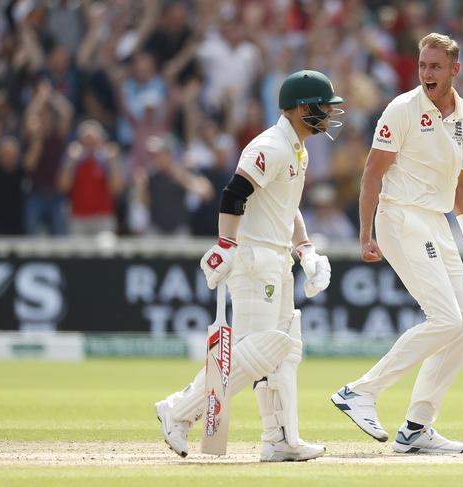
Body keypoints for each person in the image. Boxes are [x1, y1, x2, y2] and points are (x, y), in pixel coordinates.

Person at [155, 70, 343, 461]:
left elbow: (286, 208)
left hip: (277, 260)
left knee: (285, 351)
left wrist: (304, 249)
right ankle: (178, 410)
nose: (328, 114)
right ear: (300, 108)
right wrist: (226, 244)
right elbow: (235, 192)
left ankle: (279, 439)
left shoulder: (298, 150)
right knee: (261, 348)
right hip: (255, 259)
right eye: (323, 107)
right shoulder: (271, 145)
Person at [330, 33, 463, 455]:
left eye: (436, 67)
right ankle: (360, 393)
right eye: (423, 66)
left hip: (436, 223)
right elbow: (371, 172)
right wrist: (365, 234)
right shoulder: (401, 109)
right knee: (444, 318)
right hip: (400, 215)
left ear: (454, 70)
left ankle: (417, 427)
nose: (427, 74)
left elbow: (460, 182)